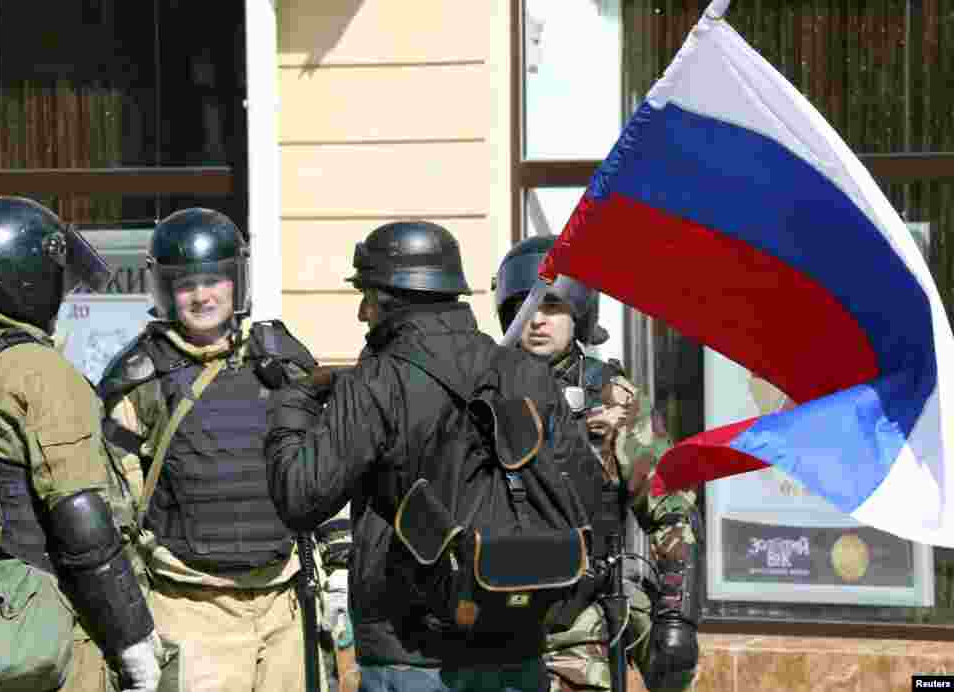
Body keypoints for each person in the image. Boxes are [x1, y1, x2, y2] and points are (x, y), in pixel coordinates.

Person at [264, 220, 605, 692]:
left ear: (390, 299)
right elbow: (588, 496)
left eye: (366, 296)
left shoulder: (377, 382)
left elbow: (300, 498)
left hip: (410, 651)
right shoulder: (525, 371)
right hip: (518, 640)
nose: (363, 313)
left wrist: (291, 407)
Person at [97, 207, 352, 692]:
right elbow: (116, 509)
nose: (201, 296)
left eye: (214, 280)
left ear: (237, 282)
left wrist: (339, 563)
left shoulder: (282, 361)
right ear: (166, 291)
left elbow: (321, 466)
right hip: (192, 608)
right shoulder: (139, 381)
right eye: (187, 284)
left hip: (284, 602)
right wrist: (129, 627)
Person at [0, 196, 161, 692]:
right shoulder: (35, 370)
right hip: (32, 639)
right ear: (30, 279)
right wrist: (134, 640)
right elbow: (81, 520)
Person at [493, 236, 700, 692]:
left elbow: (672, 511)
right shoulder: (483, 393)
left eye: (553, 305)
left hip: (577, 625)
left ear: (579, 312)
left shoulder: (613, 398)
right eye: (525, 307)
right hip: (488, 625)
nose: (538, 319)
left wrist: (675, 617)